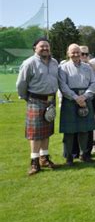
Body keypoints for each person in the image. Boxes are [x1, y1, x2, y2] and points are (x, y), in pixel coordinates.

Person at [16, 37, 59, 175]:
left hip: (50, 100)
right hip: (35, 100)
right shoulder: (29, 63)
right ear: (35, 48)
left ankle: (44, 158)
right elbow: (21, 83)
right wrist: (25, 98)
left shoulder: (54, 62)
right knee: (35, 133)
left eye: (47, 46)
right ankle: (34, 162)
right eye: (42, 46)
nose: (45, 48)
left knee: (46, 132)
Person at [58, 44, 95, 165]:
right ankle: (69, 157)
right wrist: (76, 98)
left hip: (85, 99)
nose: (76, 54)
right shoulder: (63, 68)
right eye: (73, 52)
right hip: (70, 100)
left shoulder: (87, 67)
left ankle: (84, 155)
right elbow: (63, 86)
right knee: (69, 131)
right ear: (68, 53)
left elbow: (93, 83)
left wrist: (84, 96)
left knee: (84, 130)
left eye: (77, 52)